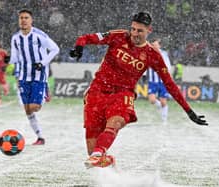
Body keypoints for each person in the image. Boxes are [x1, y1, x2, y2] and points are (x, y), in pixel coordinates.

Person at [70, 12, 208, 168]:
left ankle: (98, 154)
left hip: (123, 93)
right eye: (133, 29)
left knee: (115, 122)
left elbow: (170, 84)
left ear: (149, 30)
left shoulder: (152, 55)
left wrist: (189, 111)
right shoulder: (118, 36)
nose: (134, 34)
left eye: (139, 31)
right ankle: (105, 158)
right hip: (97, 91)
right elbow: (86, 38)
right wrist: (79, 47)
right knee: (91, 149)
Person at [9, 9, 59, 145]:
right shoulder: (16, 38)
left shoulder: (39, 35)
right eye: (21, 18)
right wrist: (8, 62)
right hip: (24, 76)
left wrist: (42, 63)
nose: (23, 20)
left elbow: (55, 49)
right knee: (27, 109)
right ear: (19, 20)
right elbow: (14, 57)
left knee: (34, 107)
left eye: (26, 18)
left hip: (38, 75)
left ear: (31, 20)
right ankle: (40, 137)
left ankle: (45, 90)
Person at [147, 38, 171, 123]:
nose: (154, 46)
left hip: (162, 82)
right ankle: (159, 106)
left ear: (159, 46)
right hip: (152, 81)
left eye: (156, 45)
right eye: (153, 45)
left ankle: (164, 120)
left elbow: (168, 67)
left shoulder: (164, 54)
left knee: (164, 102)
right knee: (152, 100)